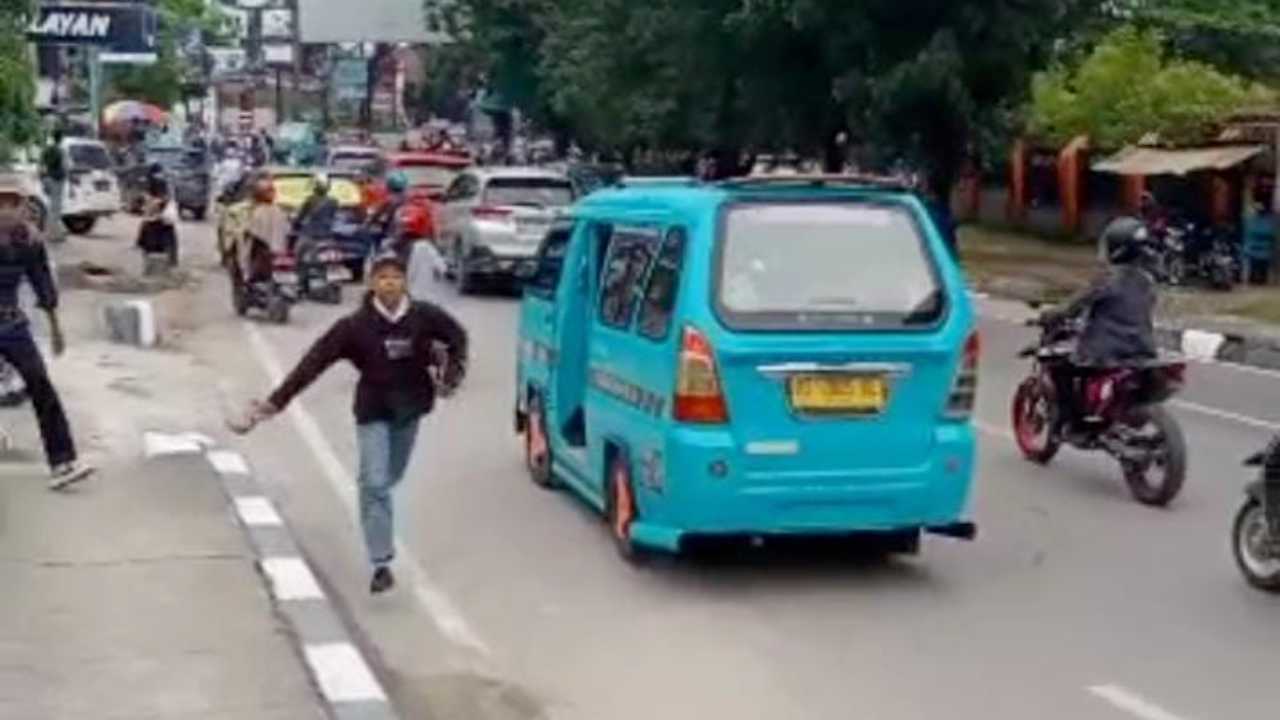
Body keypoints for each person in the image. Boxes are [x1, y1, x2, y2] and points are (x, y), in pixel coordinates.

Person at [231, 252, 468, 593]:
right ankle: (381, 561)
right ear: (372, 284)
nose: (389, 284)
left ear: (405, 283)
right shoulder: (355, 327)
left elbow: (458, 337)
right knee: (375, 483)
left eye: (396, 278)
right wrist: (276, 402)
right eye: (382, 278)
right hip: (373, 410)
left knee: (389, 477)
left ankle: (374, 504)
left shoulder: (424, 317)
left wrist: (452, 370)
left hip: (411, 410)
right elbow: (313, 363)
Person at [0, 177, 94, 489]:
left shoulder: (29, 241)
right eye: (0, 203)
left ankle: (62, 461)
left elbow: (42, 283)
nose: (6, 210)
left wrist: (56, 328)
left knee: (40, 384)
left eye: (12, 203)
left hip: (11, 324)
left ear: (22, 208)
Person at [1043, 216, 1157, 427]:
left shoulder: (1107, 279)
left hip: (1106, 353)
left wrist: (1051, 315)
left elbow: (1074, 305)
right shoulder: (1147, 281)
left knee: (1059, 366)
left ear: (1116, 248)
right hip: (1142, 350)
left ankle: (1070, 421)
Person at [136, 163, 178, 267]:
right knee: (165, 245)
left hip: (154, 222)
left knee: (150, 247)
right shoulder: (163, 184)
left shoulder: (150, 184)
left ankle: (153, 266)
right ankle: (168, 264)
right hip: (161, 222)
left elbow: (142, 203)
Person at [39, 128, 67, 242]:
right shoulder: (61, 151)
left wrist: (43, 179)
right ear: (61, 138)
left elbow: (41, 164)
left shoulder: (47, 149)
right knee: (55, 208)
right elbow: (64, 166)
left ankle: (53, 233)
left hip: (48, 179)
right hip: (57, 180)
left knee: (51, 207)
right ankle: (53, 235)